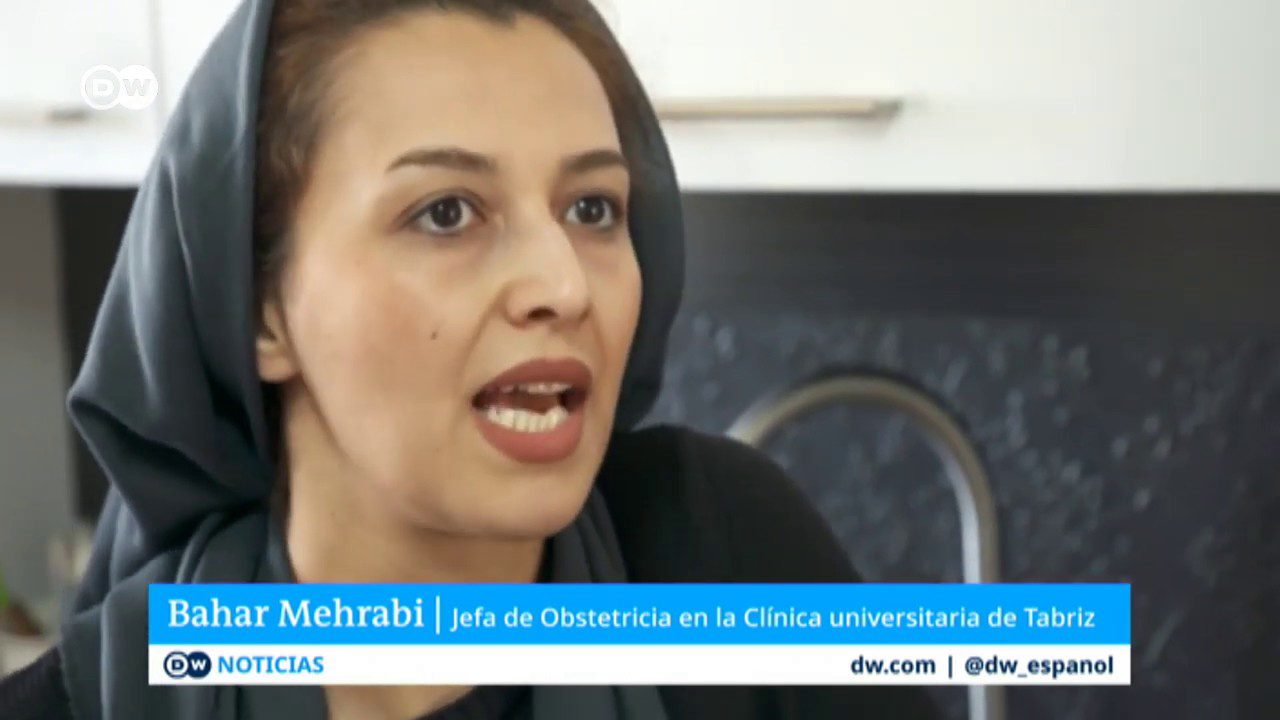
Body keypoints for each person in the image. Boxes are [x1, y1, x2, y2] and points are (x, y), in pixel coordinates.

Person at [0, 0, 938, 718]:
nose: (564, 283)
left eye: (593, 209)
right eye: (446, 213)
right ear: (257, 309)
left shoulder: (723, 552)